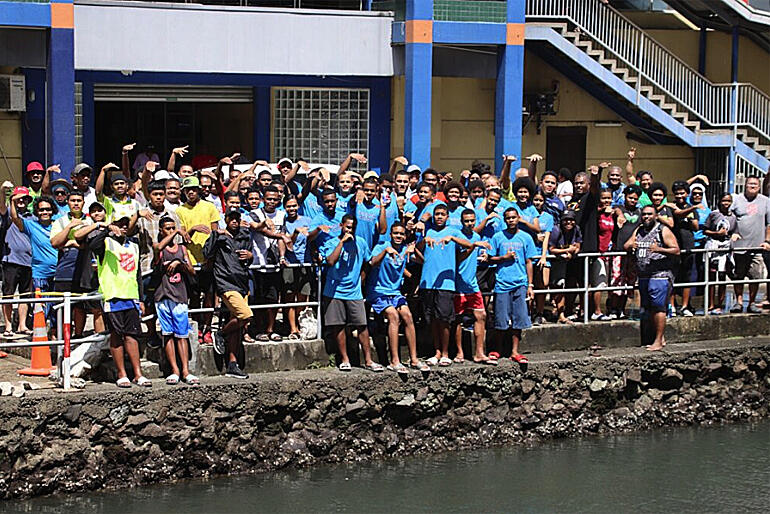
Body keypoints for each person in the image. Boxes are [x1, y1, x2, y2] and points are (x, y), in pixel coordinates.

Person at [89, 215, 149, 387]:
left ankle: (138, 373)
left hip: (131, 296)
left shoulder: (134, 245)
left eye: (126, 224)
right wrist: (107, 229)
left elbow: (137, 274)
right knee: (116, 334)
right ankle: (121, 373)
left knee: (132, 334)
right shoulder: (105, 243)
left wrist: (141, 299)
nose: (123, 227)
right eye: (119, 224)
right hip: (112, 295)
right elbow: (92, 246)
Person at [320, 214, 383, 372]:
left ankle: (368, 360)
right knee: (338, 326)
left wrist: (384, 252)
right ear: (342, 225)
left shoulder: (360, 242)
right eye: (348, 227)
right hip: (334, 292)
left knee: (362, 325)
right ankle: (344, 359)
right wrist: (342, 242)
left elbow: (370, 261)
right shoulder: (332, 242)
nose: (351, 230)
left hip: (354, 292)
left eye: (353, 228)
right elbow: (330, 261)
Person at [367, 223, 429, 372]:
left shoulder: (405, 249)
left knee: (407, 315)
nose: (398, 236)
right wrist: (385, 252)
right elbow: (372, 262)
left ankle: (414, 359)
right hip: (378, 291)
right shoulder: (382, 246)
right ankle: (394, 360)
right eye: (396, 233)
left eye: (401, 234)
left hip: (395, 293)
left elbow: (422, 261)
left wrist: (415, 251)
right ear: (390, 235)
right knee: (393, 316)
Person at [417, 204, 472, 367]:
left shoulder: (454, 232)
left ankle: (446, 353)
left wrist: (453, 239)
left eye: (442, 214)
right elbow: (416, 251)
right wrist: (423, 241)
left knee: (445, 320)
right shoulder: (429, 231)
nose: (439, 217)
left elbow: (469, 246)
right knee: (432, 319)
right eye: (437, 214)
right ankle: (437, 351)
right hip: (428, 282)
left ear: (447, 216)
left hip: (446, 284)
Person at [203, 207, 253, 379]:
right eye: (231, 218)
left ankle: (232, 364)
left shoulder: (244, 236)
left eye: (236, 218)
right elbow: (206, 253)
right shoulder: (219, 236)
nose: (234, 221)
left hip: (242, 283)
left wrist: (250, 256)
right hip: (226, 284)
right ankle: (221, 333)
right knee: (245, 315)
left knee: (238, 327)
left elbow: (248, 259)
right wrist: (216, 235)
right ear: (225, 219)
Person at [624, 205, 680, 351]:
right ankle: (658, 337)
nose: (646, 217)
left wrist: (659, 249)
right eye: (644, 214)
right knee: (648, 308)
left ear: (656, 216)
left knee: (658, 307)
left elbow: (676, 250)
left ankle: (658, 341)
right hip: (643, 274)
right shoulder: (639, 230)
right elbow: (626, 245)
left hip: (660, 274)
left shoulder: (663, 230)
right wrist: (631, 245)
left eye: (649, 214)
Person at [176, 176, 221, 344]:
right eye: (188, 190)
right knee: (193, 297)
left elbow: (215, 234)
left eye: (194, 189)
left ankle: (207, 329)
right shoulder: (180, 211)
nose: (191, 192)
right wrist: (193, 229)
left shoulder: (209, 207)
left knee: (209, 296)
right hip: (190, 261)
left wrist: (212, 257)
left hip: (207, 260)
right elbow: (183, 237)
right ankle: (196, 329)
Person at [153, 217, 198, 385]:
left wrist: (179, 262)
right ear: (161, 231)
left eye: (173, 228)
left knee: (182, 334)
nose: (171, 231)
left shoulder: (182, 249)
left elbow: (192, 271)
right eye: (167, 229)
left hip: (179, 295)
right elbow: (158, 247)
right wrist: (176, 233)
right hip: (163, 295)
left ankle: (186, 370)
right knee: (168, 334)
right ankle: (174, 370)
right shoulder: (159, 249)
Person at [489, 208, 536, 363]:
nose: (511, 220)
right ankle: (497, 349)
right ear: (504, 219)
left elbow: (529, 262)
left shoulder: (526, 238)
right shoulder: (497, 237)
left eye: (513, 218)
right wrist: (504, 257)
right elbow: (490, 258)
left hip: (520, 283)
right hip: (502, 282)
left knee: (519, 318)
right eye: (508, 218)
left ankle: (515, 351)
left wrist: (530, 285)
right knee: (500, 318)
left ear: (518, 218)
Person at [453, 209, 495, 364]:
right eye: (466, 221)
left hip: (472, 284)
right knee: (458, 319)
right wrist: (472, 246)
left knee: (481, 316)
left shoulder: (477, 237)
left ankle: (479, 352)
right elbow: (457, 258)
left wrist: (484, 256)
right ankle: (459, 352)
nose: (469, 224)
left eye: (472, 220)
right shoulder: (457, 237)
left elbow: (473, 258)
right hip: (459, 284)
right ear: (461, 221)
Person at [248, 184, 287, 342]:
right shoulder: (255, 213)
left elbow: (282, 235)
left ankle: (271, 329)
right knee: (258, 299)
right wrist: (267, 224)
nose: (271, 202)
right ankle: (259, 329)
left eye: (274, 199)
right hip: (258, 263)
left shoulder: (282, 214)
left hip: (274, 264)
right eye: (268, 199)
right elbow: (259, 229)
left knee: (273, 299)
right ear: (263, 199)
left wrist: (282, 256)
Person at [10, 194, 58, 322]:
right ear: (36, 211)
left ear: (53, 210)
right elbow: (15, 218)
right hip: (40, 272)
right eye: (41, 209)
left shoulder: (59, 225)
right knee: (41, 305)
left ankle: (53, 333)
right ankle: (40, 334)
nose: (45, 212)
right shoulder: (31, 225)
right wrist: (13, 201)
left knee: (56, 305)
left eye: (48, 209)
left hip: (58, 272)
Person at [729, 176, 770, 313]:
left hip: (757, 247)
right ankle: (738, 302)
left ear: (759, 187)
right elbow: (729, 218)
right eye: (750, 184)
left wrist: (767, 241)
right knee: (738, 275)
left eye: (755, 184)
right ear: (745, 185)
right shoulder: (737, 200)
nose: (752, 186)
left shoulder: (765, 201)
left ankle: (752, 302)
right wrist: (732, 233)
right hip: (740, 246)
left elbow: (768, 223)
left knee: (755, 276)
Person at [278, 195, 313, 340]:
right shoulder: (283, 222)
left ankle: (301, 325)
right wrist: (296, 232)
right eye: (289, 206)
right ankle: (293, 329)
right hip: (289, 263)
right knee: (290, 297)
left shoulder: (307, 221)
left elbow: (312, 239)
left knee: (303, 297)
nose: (292, 209)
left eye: (294, 206)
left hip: (305, 262)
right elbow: (288, 244)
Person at [0, 185, 33, 337]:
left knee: (25, 295)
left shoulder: (32, 217)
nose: (21, 201)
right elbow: (2, 207)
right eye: (18, 198)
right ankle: (8, 326)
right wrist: (3, 191)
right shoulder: (7, 214)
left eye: (24, 199)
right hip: (11, 261)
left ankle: (22, 325)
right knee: (9, 294)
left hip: (28, 262)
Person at [610, 184, 642, 319]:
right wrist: (619, 215)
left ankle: (622, 309)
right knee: (616, 281)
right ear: (625, 197)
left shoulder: (640, 212)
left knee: (629, 282)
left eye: (635, 199)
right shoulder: (619, 209)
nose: (633, 201)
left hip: (633, 254)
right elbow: (615, 209)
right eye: (630, 198)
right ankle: (612, 309)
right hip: (618, 251)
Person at [703, 193, 737, 314]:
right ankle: (710, 304)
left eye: (728, 201)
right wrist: (716, 234)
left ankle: (720, 304)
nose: (726, 203)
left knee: (722, 276)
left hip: (726, 248)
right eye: (724, 201)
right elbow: (705, 230)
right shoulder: (713, 214)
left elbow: (734, 231)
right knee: (711, 276)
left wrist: (734, 236)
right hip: (713, 247)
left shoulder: (733, 217)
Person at [670, 180, 699, 317]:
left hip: (688, 246)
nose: (680, 196)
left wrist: (691, 216)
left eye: (682, 193)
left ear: (687, 193)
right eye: (677, 194)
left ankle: (685, 306)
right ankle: (672, 306)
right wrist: (691, 210)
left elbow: (696, 227)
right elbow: (678, 214)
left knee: (687, 277)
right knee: (672, 277)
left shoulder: (692, 207)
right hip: (673, 247)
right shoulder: (670, 206)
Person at [548, 210, 582, 324]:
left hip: (568, 260)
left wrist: (573, 252)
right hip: (555, 261)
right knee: (557, 286)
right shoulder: (556, 230)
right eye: (566, 220)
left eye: (571, 220)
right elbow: (551, 249)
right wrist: (567, 250)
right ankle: (558, 313)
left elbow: (578, 244)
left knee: (565, 285)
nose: (568, 222)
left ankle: (561, 313)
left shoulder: (576, 229)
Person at [591, 189, 615, 321]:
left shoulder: (611, 215)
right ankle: (597, 311)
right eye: (604, 198)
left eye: (609, 198)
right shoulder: (597, 214)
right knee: (598, 283)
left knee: (605, 283)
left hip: (608, 253)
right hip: (598, 253)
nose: (607, 201)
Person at [531, 191, 554, 325]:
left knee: (543, 284)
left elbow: (546, 237)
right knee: (530, 285)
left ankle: (539, 312)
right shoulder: (528, 214)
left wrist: (544, 256)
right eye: (535, 200)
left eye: (540, 200)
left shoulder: (548, 217)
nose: (537, 203)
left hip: (541, 253)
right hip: (529, 253)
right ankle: (530, 311)